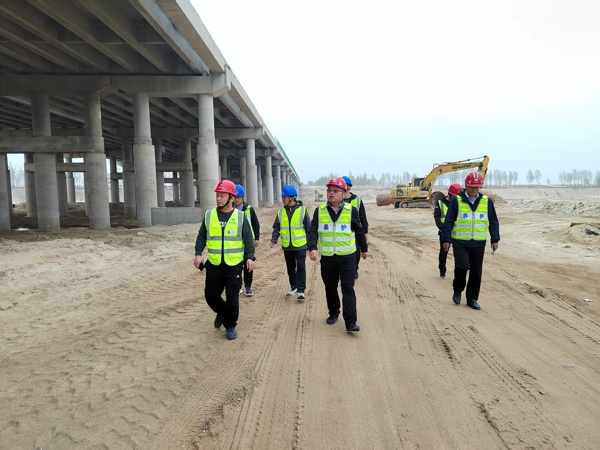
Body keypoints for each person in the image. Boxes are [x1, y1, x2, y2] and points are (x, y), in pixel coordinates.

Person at [193, 180, 256, 340]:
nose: (218, 198)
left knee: (232, 298)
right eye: (217, 195)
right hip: (214, 264)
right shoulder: (209, 215)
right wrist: (198, 253)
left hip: (234, 264)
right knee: (210, 295)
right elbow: (202, 236)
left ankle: (230, 326)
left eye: (222, 195)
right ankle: (221, 311)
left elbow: (248, 239)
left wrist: (250, 257)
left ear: (231, 198)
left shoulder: (241, 217)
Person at [308, 177, 368, 332]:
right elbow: (313, 231)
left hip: (347, 258)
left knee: (348, 288)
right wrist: (312, 247)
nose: (331, 193)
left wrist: (364, 249)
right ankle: (333, 312)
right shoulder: (320, 211)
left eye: (335, 191)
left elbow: (359, 231)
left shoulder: (351, 210)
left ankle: (350, 322)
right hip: (328, 258)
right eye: (329, 190)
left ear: (343, 193)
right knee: (330, 288)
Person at [441, 172, 500, 310]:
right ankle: (457, 289)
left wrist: (495, 238)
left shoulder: (486, 201)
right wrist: (446, 239)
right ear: (466, 185)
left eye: (477, 187)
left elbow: (493, 221)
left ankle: (472, 298)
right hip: (460, 242)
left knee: (476, 272)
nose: (474, 189)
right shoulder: (456, 201)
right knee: (462, 267)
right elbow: (449, 221)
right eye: (472, 187)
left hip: (479, 243)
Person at [270, 185, 311, 300]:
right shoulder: (281, 212)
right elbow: (276, 227)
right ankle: (294, 287)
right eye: (283, 197)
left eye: (285, 197)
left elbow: (308, 229)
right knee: (290, 268)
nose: (283, 199)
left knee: (301, 267)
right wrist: (274, 240)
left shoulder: (302, 211)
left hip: (301, 245)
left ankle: (301, 289)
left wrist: (310, 245)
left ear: (292, 198)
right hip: (287, 245)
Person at [233, 184, 260, 297]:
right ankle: (238, 286)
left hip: (248, 242)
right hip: (236, 242)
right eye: (234, 197)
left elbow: (255, 224)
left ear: (242, 197)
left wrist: (256, 238)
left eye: (238, 197)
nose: (236, 200)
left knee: (248, 264)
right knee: (237, 265)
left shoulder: (249, 209)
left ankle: (248, 287)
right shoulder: (230, 210)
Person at [342, 176, 369, 279]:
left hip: (356, 231)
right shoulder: (337, 200)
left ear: (349, 187)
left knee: (356, 253)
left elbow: (363, 216)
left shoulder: (357, 199)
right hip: (342, 231)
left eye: (346, 185)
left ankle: (354, 269)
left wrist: (365, 231)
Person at [434, 182, 462, 279]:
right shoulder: (440, 203)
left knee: (459, 254)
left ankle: (458, 273)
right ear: (449, 194)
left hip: (458, 232)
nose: (456, 199)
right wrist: (444, 229)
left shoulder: (460, 203)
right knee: (443, 253)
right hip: (444, 233)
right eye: (454, 196)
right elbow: (437, 217)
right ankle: (442, 271)